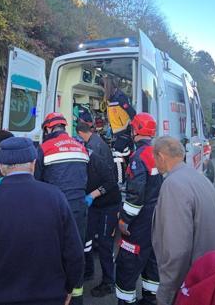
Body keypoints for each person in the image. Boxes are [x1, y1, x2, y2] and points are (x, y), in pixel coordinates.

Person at [0, 137, 84, 305]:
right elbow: (74, 254)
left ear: (0, 166)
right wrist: (69, 287)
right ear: (33, 163)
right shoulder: (55, 196)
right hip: (49, 297)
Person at [150, 136, 215, 305]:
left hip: (194, 281)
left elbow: (176, 249)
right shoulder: (197, 177)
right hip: (214, 273)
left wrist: (166, 293)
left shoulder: (173, 185)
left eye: (154, 157)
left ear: (161, 157)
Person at [35, 112, 89, 304]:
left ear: (48, 129)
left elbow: (37, 183)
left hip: (54, 210)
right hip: (79, 209)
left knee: (54, 254)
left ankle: (56, 296)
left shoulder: (44, 148)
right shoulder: (81, 147)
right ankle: (76, 297)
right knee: (76, 253)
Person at [115, 113, 161, 305]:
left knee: (127, 265)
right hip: (156, 217)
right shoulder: (157, 153)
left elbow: (135, 197)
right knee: (151, 261)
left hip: (140, 221)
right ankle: (151, 299)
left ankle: (127, 301)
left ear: (135, 130)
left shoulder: (138, 157)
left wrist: (124, 220)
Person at [76, 120, 119, 297]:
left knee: (104, 244)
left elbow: (111, 182)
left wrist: (92, 195)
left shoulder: (95, 155)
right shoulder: (84, 154)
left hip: (109, 204)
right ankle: (88, 271)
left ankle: (109, 282)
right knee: (87, 237)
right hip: (95, 206)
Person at [102, 76, 136, 185]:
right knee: (126, 155)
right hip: (117, 132)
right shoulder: (110, 98)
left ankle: (120, 182)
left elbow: (132, 112)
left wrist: (130, 127)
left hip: (124, 132)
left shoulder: (120, 98)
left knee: (117, 155)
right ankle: (129, 178)